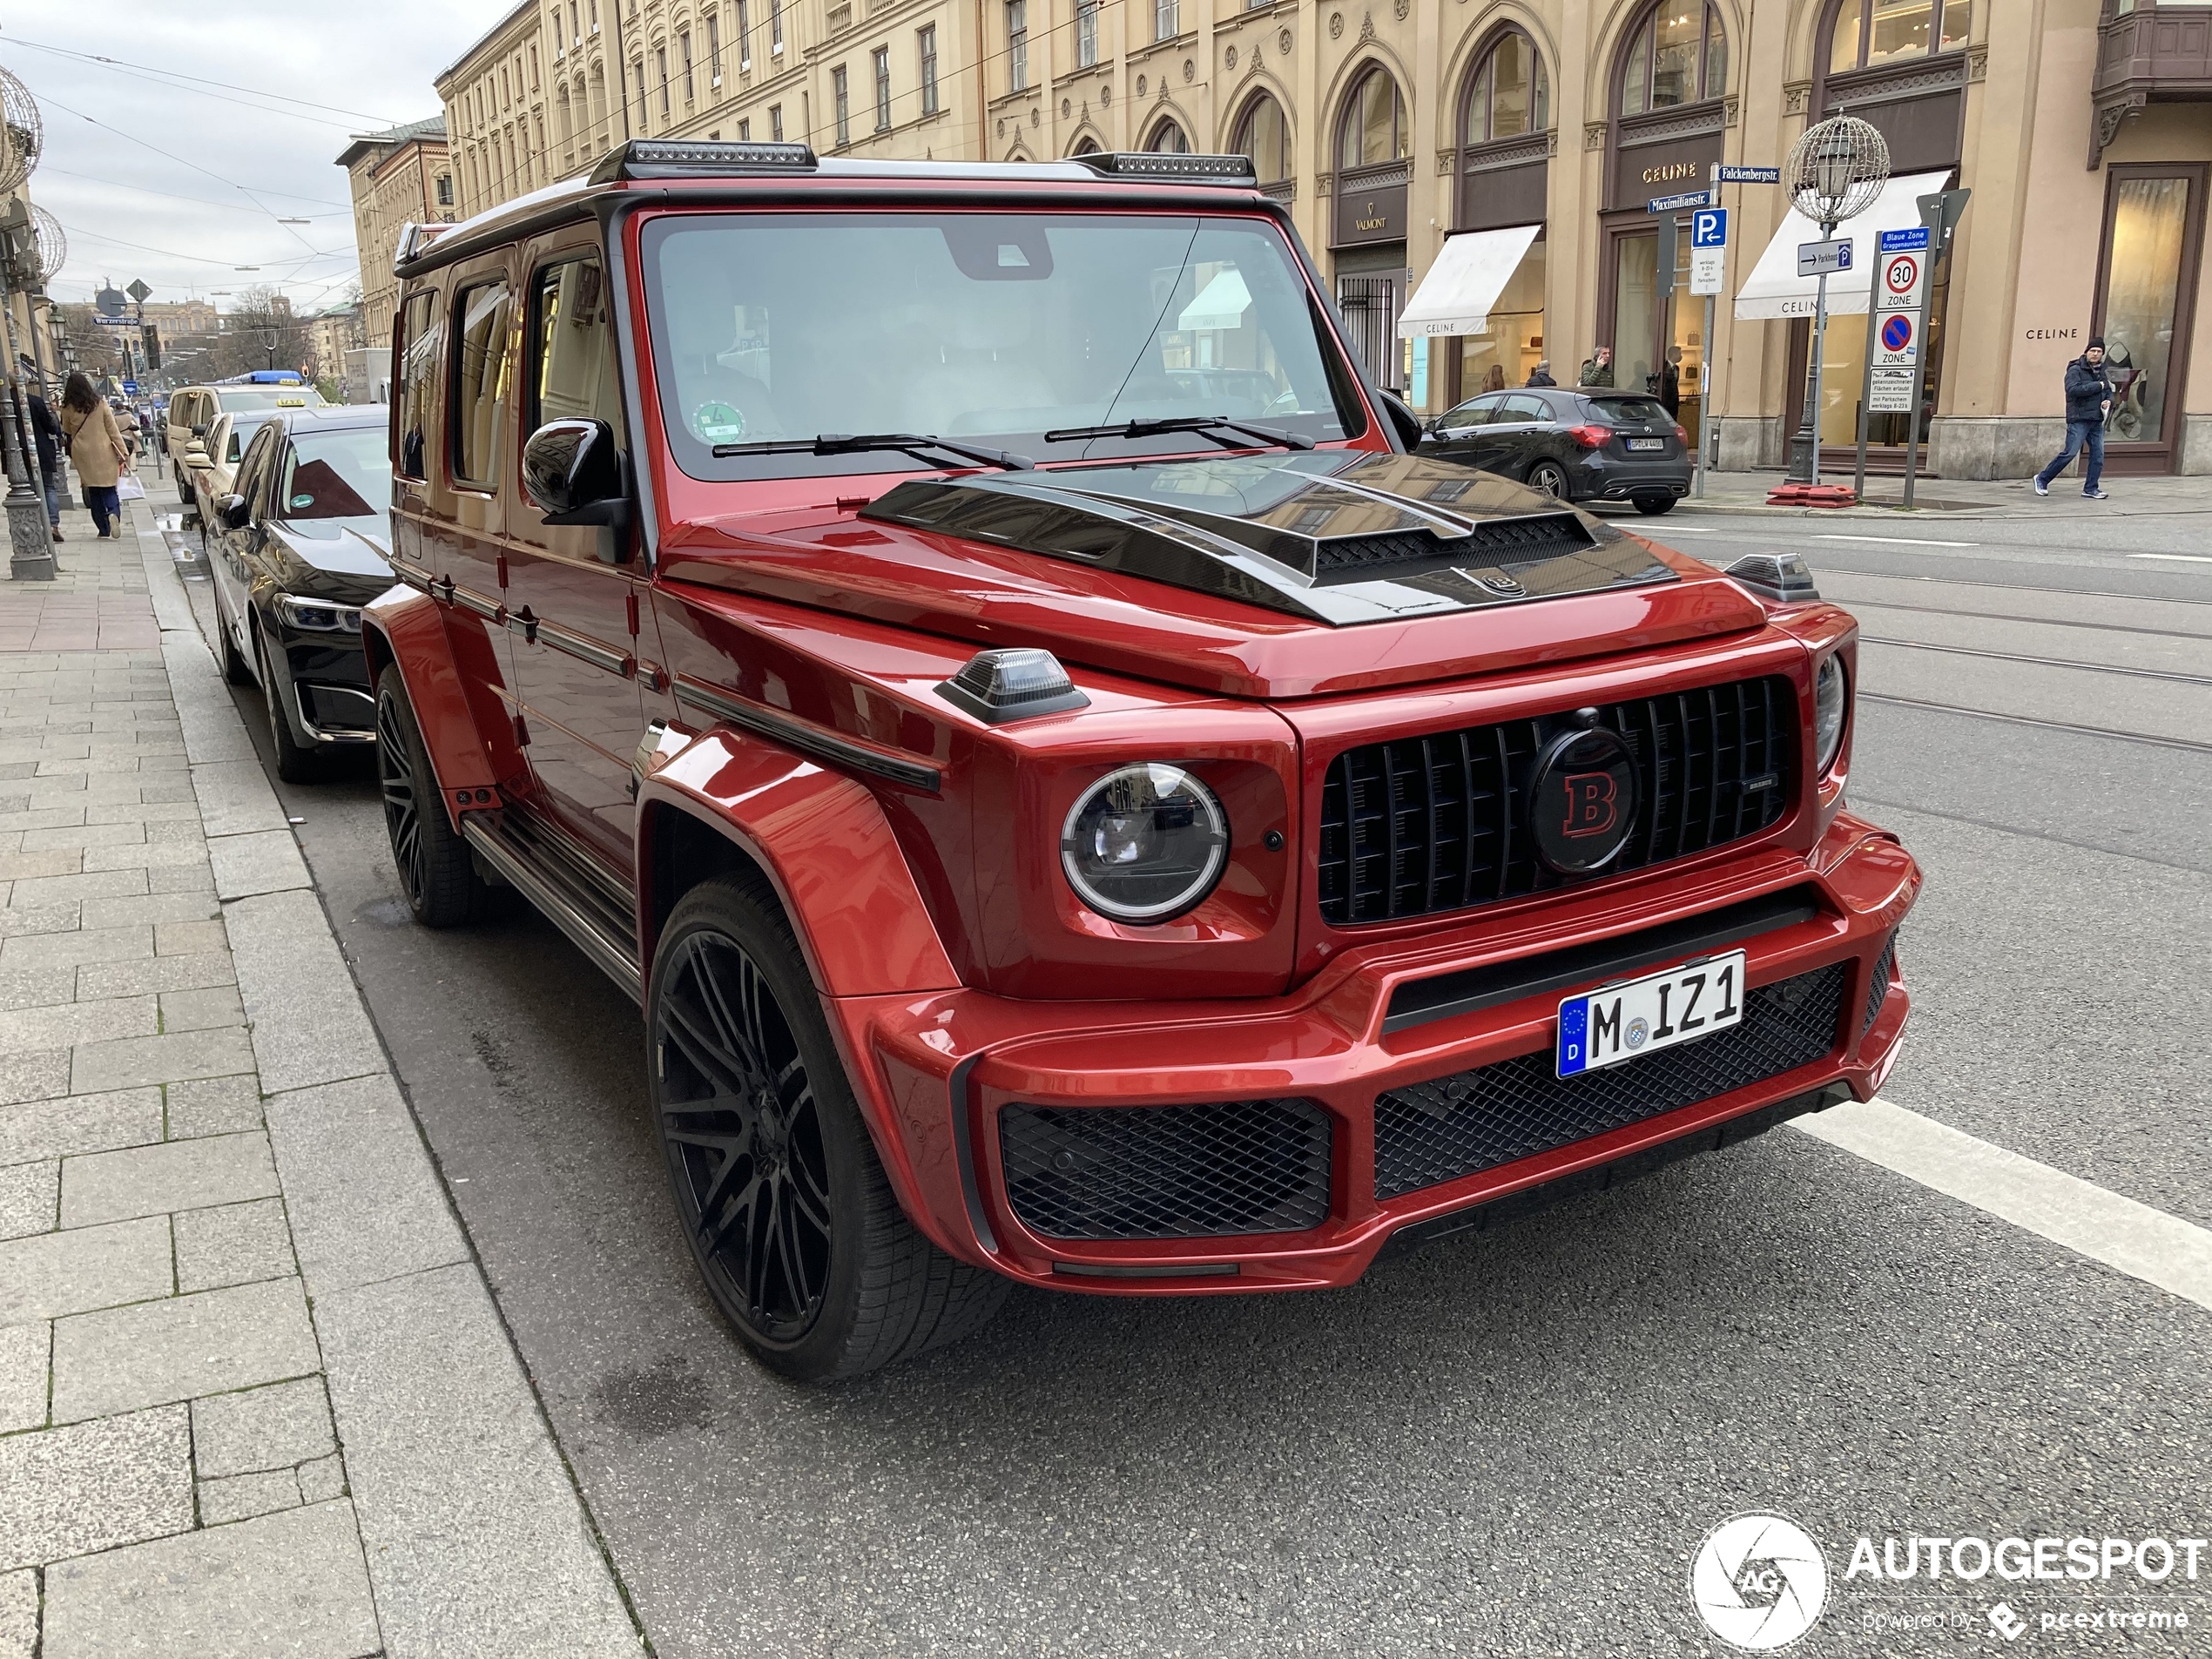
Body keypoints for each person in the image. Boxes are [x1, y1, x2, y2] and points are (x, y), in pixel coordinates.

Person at [2033, 338, 2114, 500]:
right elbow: (2073, 390)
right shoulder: (2075, 369)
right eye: (2092, 351)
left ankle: (2091, 488)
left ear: (2102, 354)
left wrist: (2109, 400)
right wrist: (2098, 386)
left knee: (2098, 455)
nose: (2095, 354)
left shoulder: (2102, 371)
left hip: (2096, 419)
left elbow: (2108, 390)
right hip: (2079, 418)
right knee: (2070, 453)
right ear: (2086, 352)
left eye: (2099, 351)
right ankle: (2042, 478)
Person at [59, 372, 132, 538]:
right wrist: (123, 451)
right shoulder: (100, 404)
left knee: (93, 490)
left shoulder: (67, 408)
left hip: (82, 452)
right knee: (109, 489)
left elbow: (67, 431)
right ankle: (114, 512)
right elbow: (112, 430)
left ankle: (103, 529)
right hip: (104, 450)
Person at [26, 388, 64, 542]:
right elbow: (50, 426)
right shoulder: (36, 401)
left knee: (27, 490)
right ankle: (53, 525)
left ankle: (33, 525)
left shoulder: (6, 402)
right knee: (48, 487)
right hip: (41, 450)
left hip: (18, 453)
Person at [1658, 345, 1683, 416]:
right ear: (1674, 354)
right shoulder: (1664, 367)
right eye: (1679, 354)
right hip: (1666, 401)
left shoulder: (1677, 368)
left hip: (1674, 402)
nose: (1680, 356)